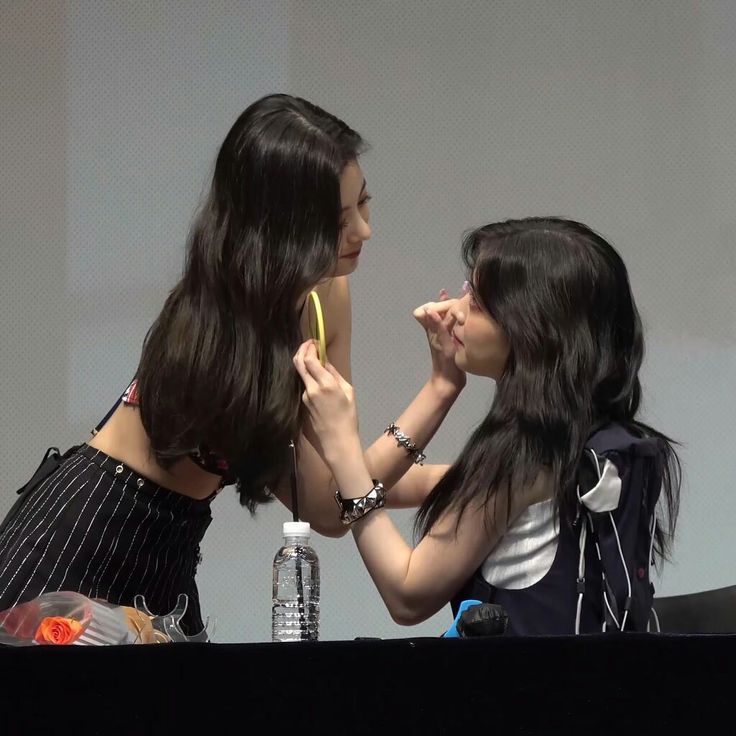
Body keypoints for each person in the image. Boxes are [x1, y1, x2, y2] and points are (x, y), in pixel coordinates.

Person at [0, 94, 462, 634]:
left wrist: (469, 476)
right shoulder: (233, 333)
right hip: (85, 541)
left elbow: (348, 474)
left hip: (168, 550)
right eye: (340, 220)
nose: (363, 231)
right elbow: (331, 505)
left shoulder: (324, 295)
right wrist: (441, 389)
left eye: (365, 203)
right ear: (282, 228)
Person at [294, 217, 681, 635]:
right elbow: (390, 484)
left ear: (533, 332)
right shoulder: (580, 439)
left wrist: (341, 443)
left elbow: (407, 593)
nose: (455, 312)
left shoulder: (527, 459)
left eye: (476, 303)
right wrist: (441, 386)